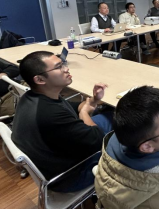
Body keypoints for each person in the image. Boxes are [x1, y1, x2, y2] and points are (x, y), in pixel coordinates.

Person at [12, 51, 113, 192]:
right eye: (58, 67)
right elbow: (98, 140)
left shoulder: (33, 97)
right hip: (71, 176)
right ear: (40, 79)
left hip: (58, 158)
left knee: (110, 115)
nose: (66, 69)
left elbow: (74, 108)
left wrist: (93, 101)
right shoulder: (50, 114)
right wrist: (84, 112)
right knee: (125, 128)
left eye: (63, 64)